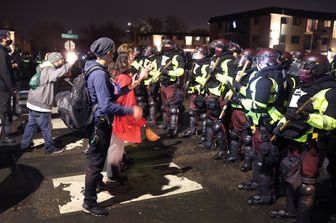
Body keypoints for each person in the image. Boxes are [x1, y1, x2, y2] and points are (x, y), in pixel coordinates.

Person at [271, 54, 336, 223]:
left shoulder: (329, 91)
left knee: (306, 186)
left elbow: (332, 122)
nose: (301, 71)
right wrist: (280, 125)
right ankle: (290, 211)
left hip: (311, 143)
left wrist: (307, 117)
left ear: (317, 70)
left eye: (306, 68)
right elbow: (291, 112)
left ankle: (303, 219)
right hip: (293, 139)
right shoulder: (301, 87)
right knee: (290, 176)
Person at [82, 37, 143, 216]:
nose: (114, 54)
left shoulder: (93, 67)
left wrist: (129, 87)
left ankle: (98, 182)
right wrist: (131, 111)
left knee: (97, 159)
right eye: (113, 51)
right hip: (99, 123)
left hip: (98, 121)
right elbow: (106, 105)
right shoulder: (99, 74)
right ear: (108, 52)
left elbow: (111, 93)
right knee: (95, 162)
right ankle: (89, 202)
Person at [20, 52, 77, 154]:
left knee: (31, 125)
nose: (63, 61)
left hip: (32, 102)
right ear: (55, 60)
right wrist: (70, 64)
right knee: (47, 127)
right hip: (40, 105)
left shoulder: (43, 66)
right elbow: (56, 74)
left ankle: (24, 145)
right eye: (61, 59)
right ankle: (49, 148)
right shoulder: (50, 69)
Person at [106, 53, 151, 183]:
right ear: (125, 62)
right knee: (116, 146)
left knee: (118, 145)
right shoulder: (124, 77)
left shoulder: (122, 76)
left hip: (120, 113)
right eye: (130, 59)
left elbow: (125, 89)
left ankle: (116, 169)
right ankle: (113, 174)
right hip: (120, 115)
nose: (132, 61)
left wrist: (141, 77)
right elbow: (119, 96)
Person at [159, 39, 185, 137]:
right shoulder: (164, 56)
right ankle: (167, 124)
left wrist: (168, 72)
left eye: (168, 44)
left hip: (172, 85)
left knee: (173, 107)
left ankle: (173, 129)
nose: (166, 46)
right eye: (165, 44)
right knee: (165, 107)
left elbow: (180, 71)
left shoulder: (177, 56)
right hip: (163, 84)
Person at [0, 30, 15, 143]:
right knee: (4, 110)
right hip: (3, 87)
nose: (10, 39)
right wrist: (11, 88)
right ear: (3, 38)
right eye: (8, 37)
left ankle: (3, 133)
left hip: (2, 85)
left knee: (3, 110)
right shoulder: (1, 51)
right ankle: (4, 134)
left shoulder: (3, 50)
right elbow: (4, 71)